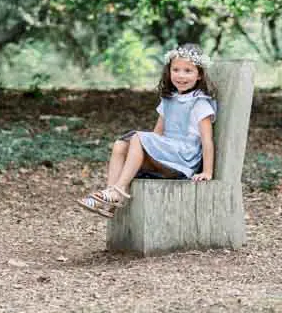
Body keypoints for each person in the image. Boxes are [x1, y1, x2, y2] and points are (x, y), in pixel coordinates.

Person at [78, 43, 217, 217]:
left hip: (184, 159)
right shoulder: (169, 100)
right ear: (169, 71)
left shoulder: (200, 103)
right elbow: (157, 134)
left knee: (137, 137)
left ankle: (118, 191)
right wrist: (143, 151)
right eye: (176, 70)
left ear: (199, 75)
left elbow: (207, 140)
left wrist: (207, 172)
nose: (181, 76)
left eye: (188, 71)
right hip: (168, 154)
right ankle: (110, 196)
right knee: (121, 145)